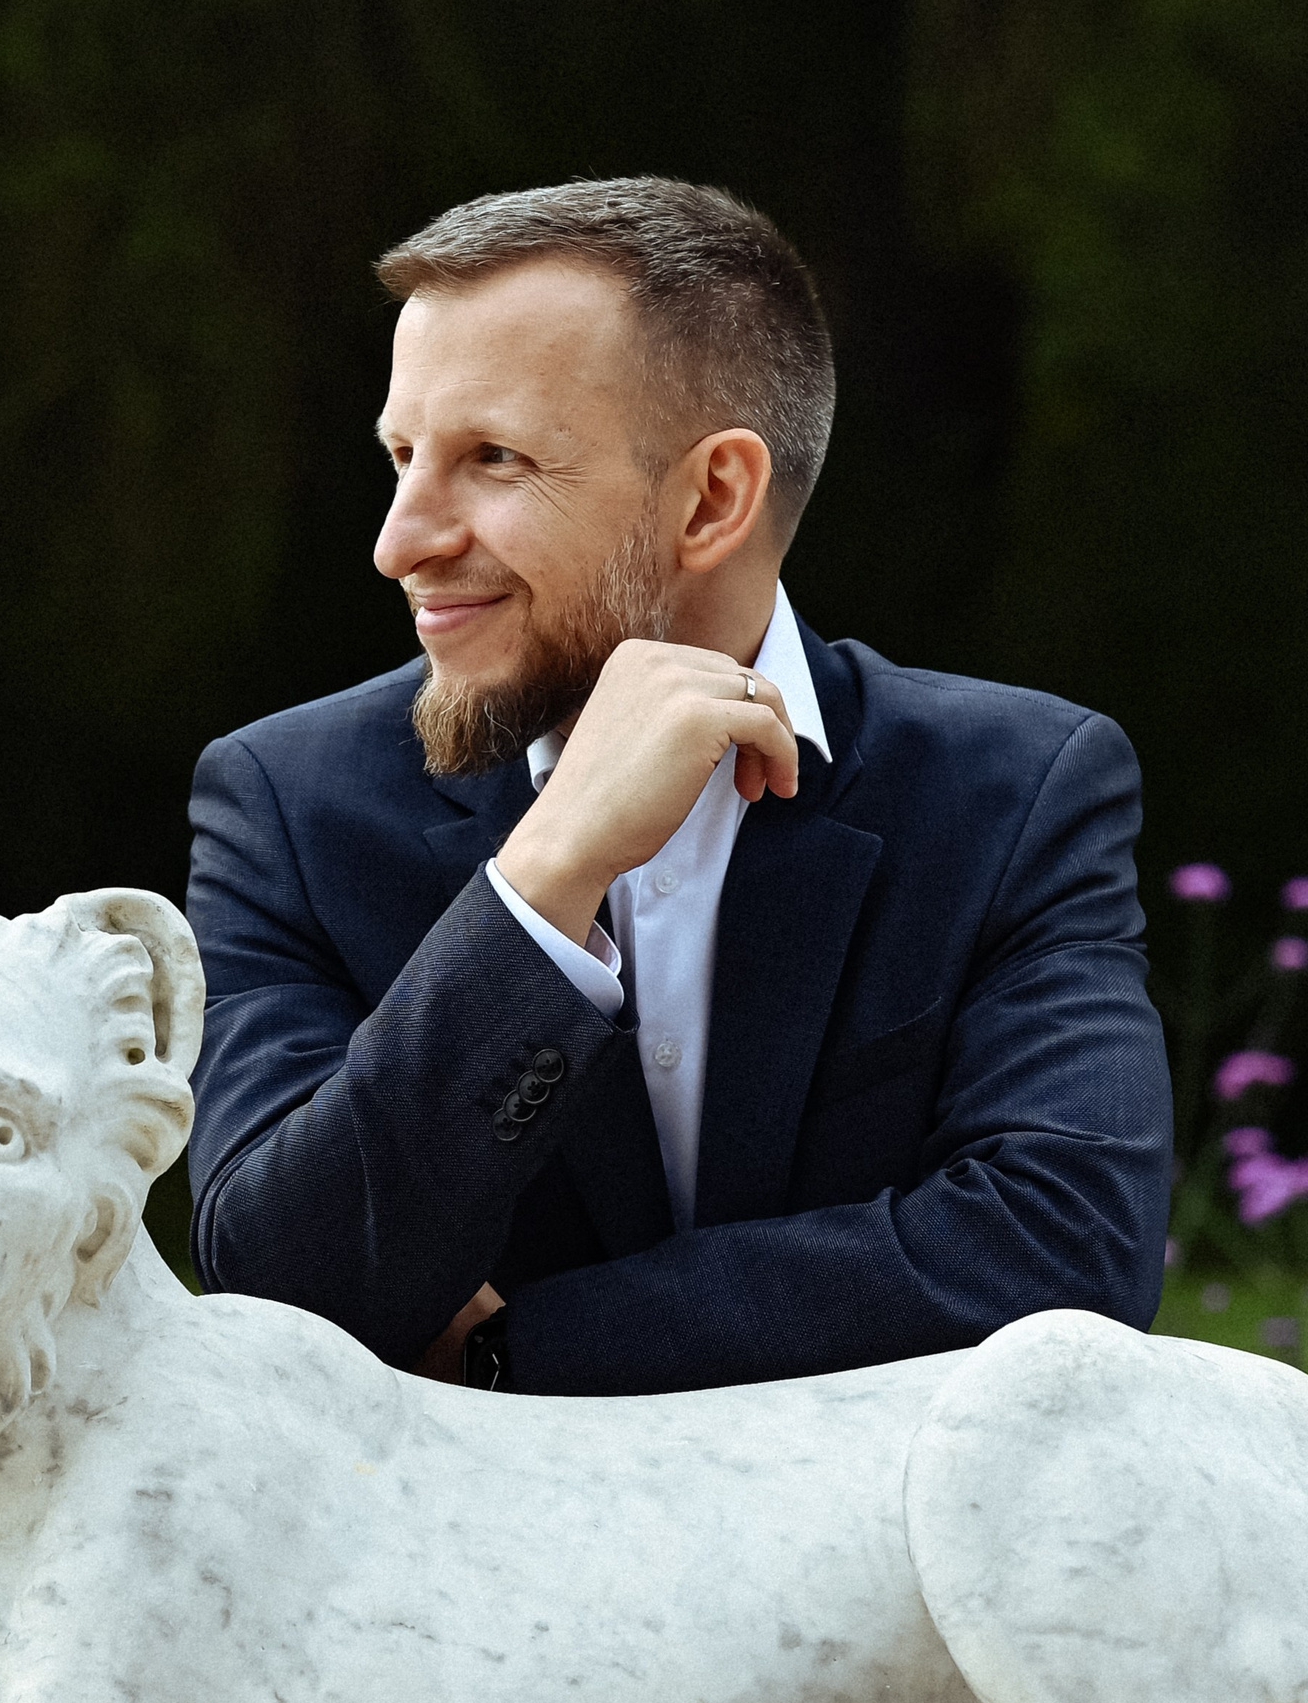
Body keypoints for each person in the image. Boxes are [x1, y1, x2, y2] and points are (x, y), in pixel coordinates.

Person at [184, 178, 1171, 1395]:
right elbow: (281, 1295)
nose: (399, 542)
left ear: (712, 499)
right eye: (401, 456)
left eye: (493, 459)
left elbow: (1069, 1253)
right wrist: (540, 884)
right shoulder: (285, 806)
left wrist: (515, 1353)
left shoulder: (1016, 792)